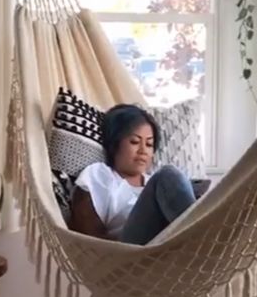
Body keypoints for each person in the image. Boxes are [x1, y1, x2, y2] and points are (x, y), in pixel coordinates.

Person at [68, 104, 197, 245]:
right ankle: (204, 240)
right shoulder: (99, 175)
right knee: (169, 174)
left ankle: (205, 241)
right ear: (114, 144)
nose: (143, 151)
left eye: (149, 144)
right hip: (127, 253)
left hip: (176, 251)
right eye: (134, 142)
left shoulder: (156, 185)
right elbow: (88, 241)